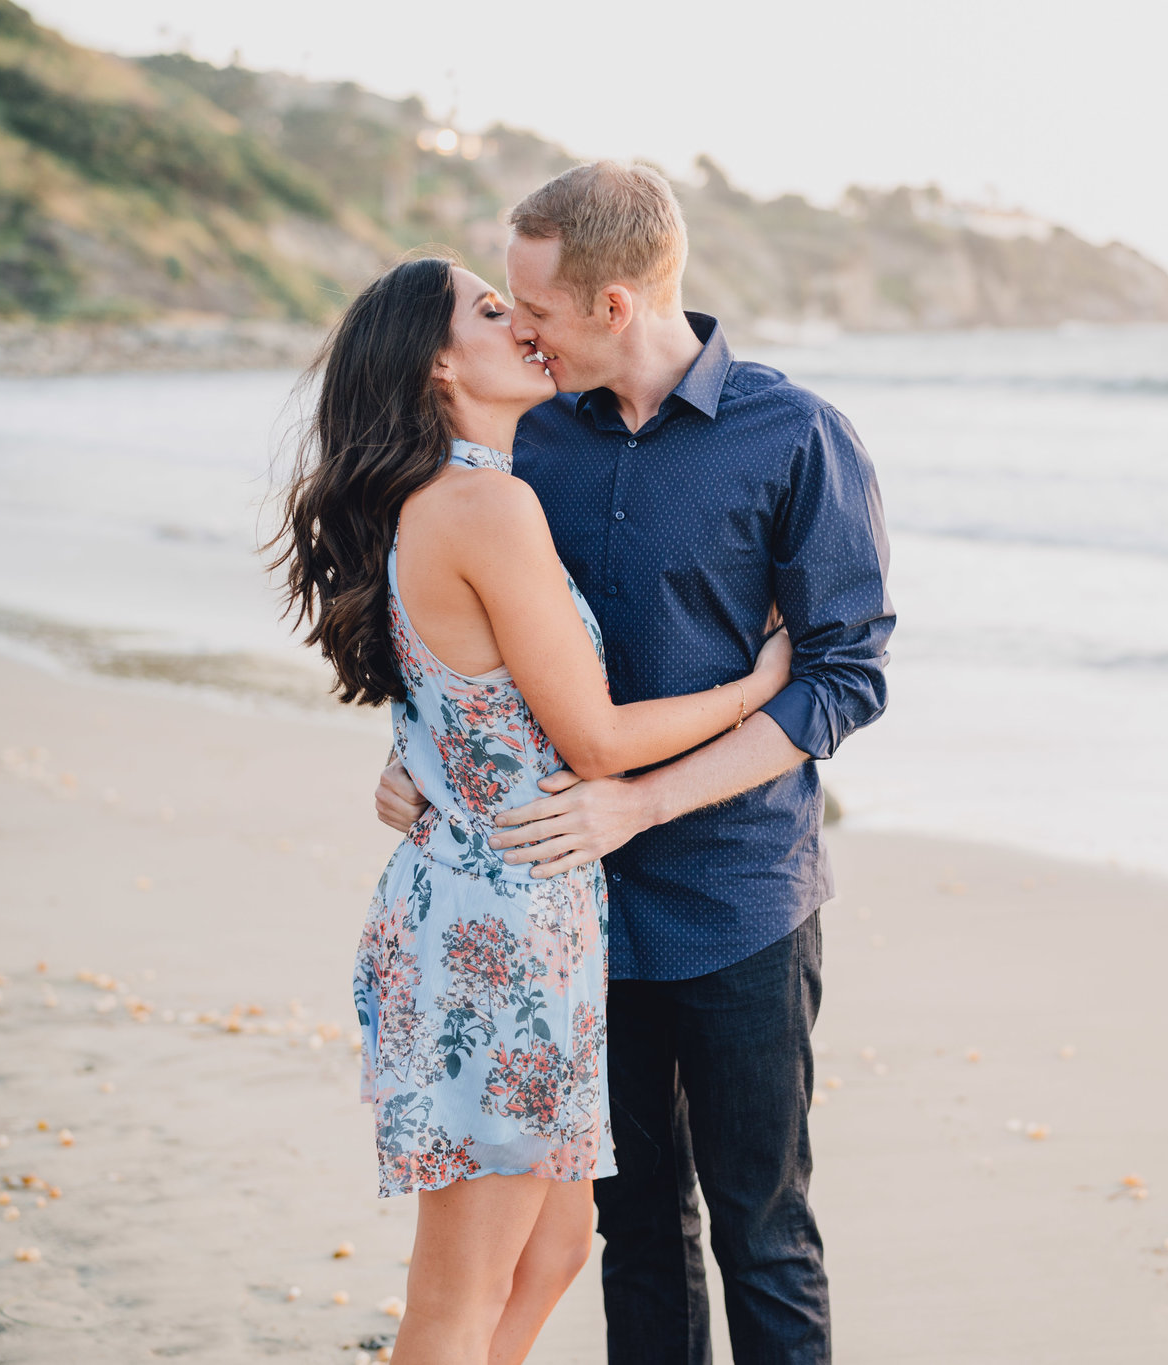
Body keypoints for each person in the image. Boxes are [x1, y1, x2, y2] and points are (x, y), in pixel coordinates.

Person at [374, 162, 893, 1365]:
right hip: (563, 909)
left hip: (735, 897)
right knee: (633, 1230)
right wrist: (411, 755)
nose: (522, 330)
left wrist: (641, 802)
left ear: (613, 305)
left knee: (761, 1228)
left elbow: (844, 673)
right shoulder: (523, 437)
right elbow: (470, 633)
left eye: (536, 309)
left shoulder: (796, 435)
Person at [272, 251, 794, 1365]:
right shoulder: (485, 504)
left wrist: (417, 766)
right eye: (492, 311)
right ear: (438, 366)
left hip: (509, 914)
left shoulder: (461, 495)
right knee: (455, 1300)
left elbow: (454, 693)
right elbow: (594, 739)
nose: (523, 327)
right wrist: (756, 687)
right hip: (497, 936)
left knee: (555, 1245)